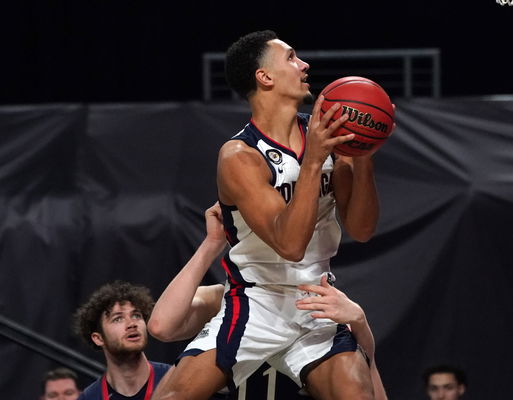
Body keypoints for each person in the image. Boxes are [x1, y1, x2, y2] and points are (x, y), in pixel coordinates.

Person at [152, 29, 382, 400]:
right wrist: (313, 161)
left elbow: (362, 228)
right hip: (256, 301)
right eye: (291, 57)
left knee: (358, 392)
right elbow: (289, 245)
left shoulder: (325, 134)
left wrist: (364, 157)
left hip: (315, 300)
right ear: (265, 77)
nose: (304, 64)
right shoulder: (239, 156)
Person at [148, 203, 388, 400]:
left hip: (311, 320)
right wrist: (212, 243)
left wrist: (359, 320)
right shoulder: (222, 301)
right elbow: (161, 326)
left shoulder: (328, 310)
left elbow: (375, 393)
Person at [73, 281, 171, 399]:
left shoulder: (174, 378)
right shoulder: (89, 397)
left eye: (136, 316)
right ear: (98, 338)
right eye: (118, 319)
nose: (132, 324)